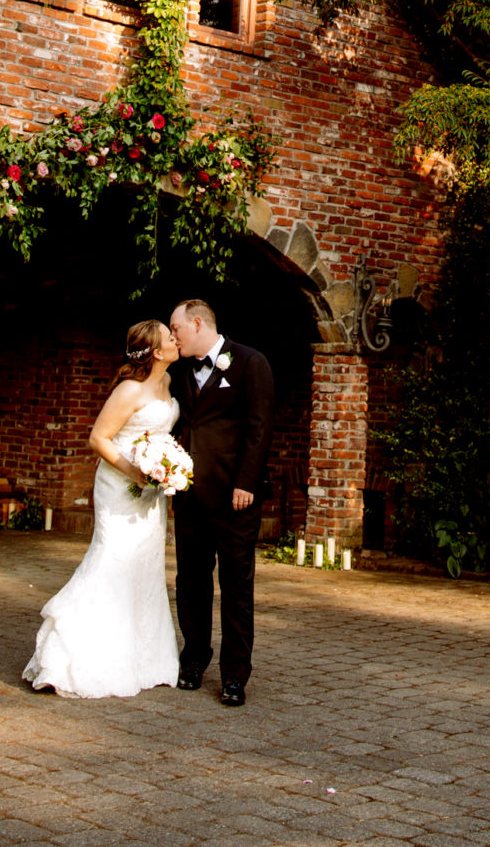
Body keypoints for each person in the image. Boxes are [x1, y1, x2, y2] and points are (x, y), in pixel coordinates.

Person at [21, 320, 184, 698]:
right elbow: (98, 437)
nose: (176, 339)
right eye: (169, 336)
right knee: (112, 558)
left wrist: (165, 466)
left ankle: (141, 660)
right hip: (119, 485)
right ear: (157, 352)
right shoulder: (130, 390)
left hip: (149, 491)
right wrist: (136, 471)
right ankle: (70, 657)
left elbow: (159, 435)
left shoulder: (167, 383)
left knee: (143, 563)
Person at [168, 297, 273, 707]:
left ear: (197, 324)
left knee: (235, 585)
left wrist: (246, 481)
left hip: (236, 499)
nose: (173, 337)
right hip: (189, 495)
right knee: (190, 583)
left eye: (176, 329)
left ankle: (234, 676)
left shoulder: (250, 362)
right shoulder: (179, 372)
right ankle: (193, 659)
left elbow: (260, 426)